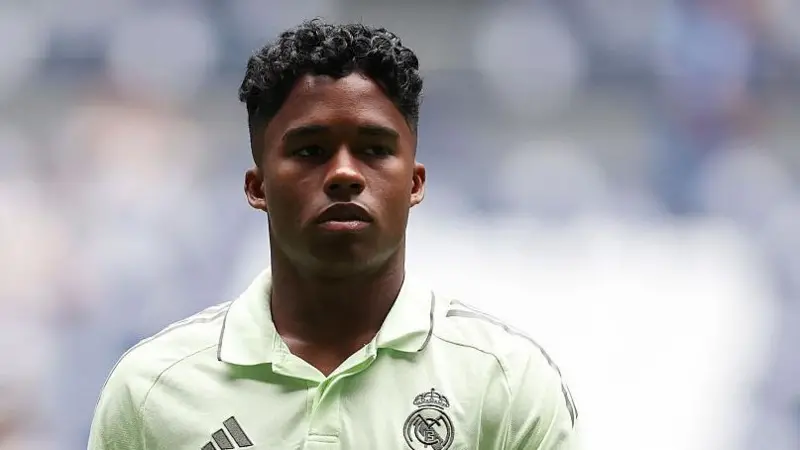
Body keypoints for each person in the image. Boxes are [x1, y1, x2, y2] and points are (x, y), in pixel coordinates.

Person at [87, 20, 579, 450]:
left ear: (415, 183)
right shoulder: (153, 389)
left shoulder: (505, 381)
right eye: (310, 151)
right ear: (258, 187)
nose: (344, 173)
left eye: (374, 149)